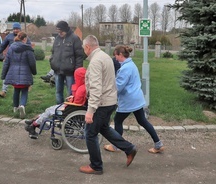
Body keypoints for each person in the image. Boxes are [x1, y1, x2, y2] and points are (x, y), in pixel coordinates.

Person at [79, 35, 137, 175]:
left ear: (87, 47)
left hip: (101, 103)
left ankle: (96, 166)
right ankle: (129, 148)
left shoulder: (95, 62)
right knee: (104, 128)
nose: (83, 50)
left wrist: (90, 110)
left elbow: (96, 87)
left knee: (90, 134)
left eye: (83, 48)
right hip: (110, 101)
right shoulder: (104, 56)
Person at [103, 45, 164, 154]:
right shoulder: (131, 64)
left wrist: (106, 91)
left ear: (120, 55)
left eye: (116, 56)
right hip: (137, 99)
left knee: (118, 121)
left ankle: (116, 146)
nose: (115, 58)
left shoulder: (125, 68)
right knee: (142, 121)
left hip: (129, 100)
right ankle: (158, 144)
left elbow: (118, 87)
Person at [25, 67, 87, 139]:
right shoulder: (84, 86)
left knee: (48, 110)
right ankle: (34, 121)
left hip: (70, 108)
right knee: (49, 109)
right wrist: (72, 98)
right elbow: (79, 100)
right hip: (75, 107)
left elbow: (77, 102)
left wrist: (69, 101)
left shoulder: (81, 89)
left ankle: (33, 125)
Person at [1, 32, 37, 119]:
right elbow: (32, 63)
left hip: (13, 73)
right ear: (24, 39)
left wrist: (3, 75)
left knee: (16, 90)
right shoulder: (28, 49)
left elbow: (6, 62)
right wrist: (34, 72)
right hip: (26, 73)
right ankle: (22, 105)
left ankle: (15, 107)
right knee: (24, 90)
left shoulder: (11, 48)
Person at [0, 22, 32, 98]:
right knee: (6, 73)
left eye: (17, 29)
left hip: (23, 59)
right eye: (14, 29)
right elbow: (2, 46)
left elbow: (29, 47)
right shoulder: (9, 37)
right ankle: (3, 91)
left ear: (20, 29)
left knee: (24, 73)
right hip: (11, 58)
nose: (15, 30)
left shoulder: (25, 37)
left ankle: (28, 84)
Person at [50, 21, 84, 104]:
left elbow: (79, 56)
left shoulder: (75, 39)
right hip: (58, 70)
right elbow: (53, 52)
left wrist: (77, 71)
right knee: (58, 92)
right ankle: (59, 109)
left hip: (70, 71)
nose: (60, 33)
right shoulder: (57, 38)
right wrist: (52, 62)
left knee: (70, 93)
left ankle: (69, 110)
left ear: (66, 30)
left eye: (61, 31)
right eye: (58, 32)